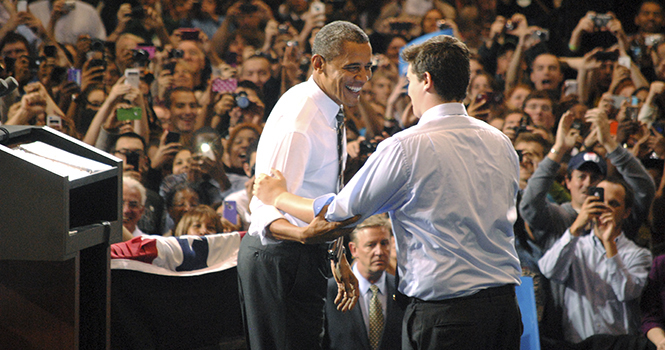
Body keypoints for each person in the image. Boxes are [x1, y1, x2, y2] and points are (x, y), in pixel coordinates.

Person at [253, 34, 523, 350]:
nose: (407, 91)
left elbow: (340, 212)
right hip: (505, 312)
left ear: (426, 80)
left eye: (407, 80)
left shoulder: (406, 147)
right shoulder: (501, 142)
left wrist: (277, 196)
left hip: (447, 317)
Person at [237, 20, 372, 350]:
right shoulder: (302, 120)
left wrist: (336, 258)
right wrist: (302, 235)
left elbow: (317, 190)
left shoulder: (329, 105)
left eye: (368, 67)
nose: (364, 78)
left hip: (302, 255)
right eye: (352, 68)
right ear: (319, 64)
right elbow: (265, 205)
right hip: (280, 258)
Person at [538, 178, 652, 343]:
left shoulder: (638, 254)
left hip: (620, 345)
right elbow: (548, 269)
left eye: (613, 204)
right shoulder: (575, 246)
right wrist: (576, 226)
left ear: (626, 212)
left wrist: (609, 244)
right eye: (599, 201)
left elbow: (626, 292)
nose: (604, 208)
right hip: (578, 343)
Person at [323, 214, 404, 350]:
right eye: (371, 245)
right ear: (354, 250)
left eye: (384, 243)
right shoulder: (330, 291)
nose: (379, 252)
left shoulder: (402, 289)